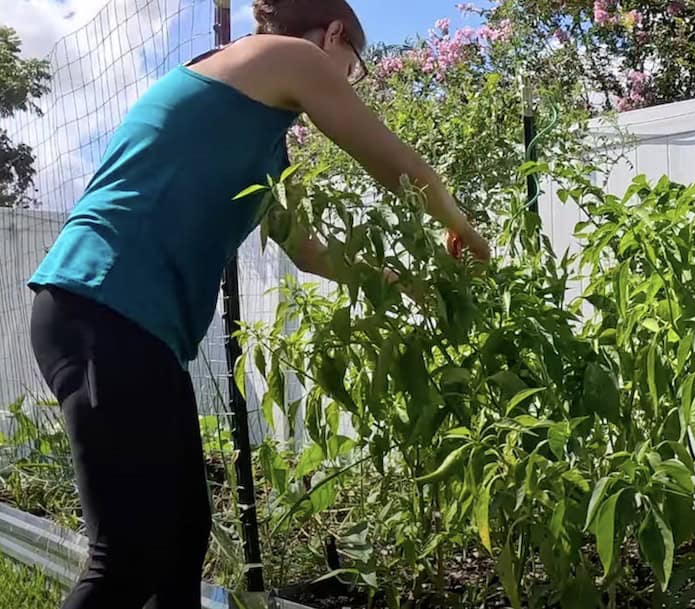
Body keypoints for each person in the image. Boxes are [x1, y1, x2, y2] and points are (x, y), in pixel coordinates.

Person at [27, 1, 490, 608]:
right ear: (332, 35)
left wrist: (402, 281)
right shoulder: (287, 57)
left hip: (133, 331)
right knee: (129, 557)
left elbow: (309, 253)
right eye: (352, 68)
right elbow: (390, 159)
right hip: (102, 307)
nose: (345, 85)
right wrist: (464, 230)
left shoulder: (262, 140)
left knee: (183, 540)